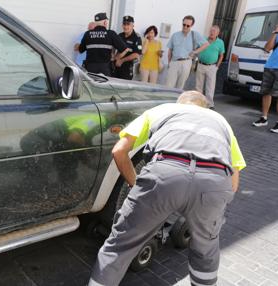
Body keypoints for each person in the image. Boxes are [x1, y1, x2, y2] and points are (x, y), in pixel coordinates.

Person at [88, 90, 246, 286]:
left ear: (180, 103)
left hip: (164, 174)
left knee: (119, 247)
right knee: (206, 250)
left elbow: (119, 151)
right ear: (205, 108)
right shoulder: (220, 121)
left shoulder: (161, 110)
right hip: (213, 182)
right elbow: (234, 183)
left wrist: (137, 186)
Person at [76, 12, 128, 77]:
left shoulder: (87, 34)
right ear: (105, 22)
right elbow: (125, 49)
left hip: (90, 69)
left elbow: (80, 50)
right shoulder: (111, 34)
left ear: (95, 23)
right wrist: (115, 58)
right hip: (105, 69)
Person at [166, 15, 209, 89]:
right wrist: (169, 63)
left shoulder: (195, 34)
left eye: (188, 25)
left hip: (186, 62)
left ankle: (176, 100)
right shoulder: (175, 35)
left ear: (191, 25)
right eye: (184, 24)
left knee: (180, 86)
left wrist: (195, 51)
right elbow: (170, 50)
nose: (185, 27)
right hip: (174, 62)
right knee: (168, 85)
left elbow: (206, 44)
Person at [252, 25, 278, 133]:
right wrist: (275, 33)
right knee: (266, 93)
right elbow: (267, 48)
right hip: (270, 66)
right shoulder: (276, 35)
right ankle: (264, 118)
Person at [195, 25, 225, 109]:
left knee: (210, 86)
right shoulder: (203, 39)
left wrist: (217, 67)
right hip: (201, 64)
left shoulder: (220, 42)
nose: (212, 32)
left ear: (218, 33)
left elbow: (221, 55)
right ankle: (199, 102)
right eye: (211, 30)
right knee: (198, 85)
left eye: (214, 31)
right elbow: (197, 49)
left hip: (212, 67)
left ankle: (209, 104)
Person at [113, 16, 142, 80]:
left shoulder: (137, 37)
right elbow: (113, 47)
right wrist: (113, 56)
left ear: (132, 25)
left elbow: (136, 54)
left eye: (128, 24)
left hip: (127, 68)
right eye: (124, 24)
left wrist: (122, 61)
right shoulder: (120, 35)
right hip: (116, 66)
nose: (125, 27)